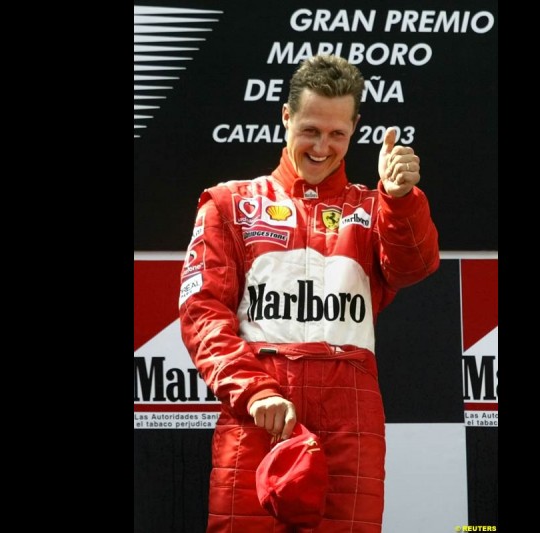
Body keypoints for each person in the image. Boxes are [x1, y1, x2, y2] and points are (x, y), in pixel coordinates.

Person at [178, 54, 440, 533]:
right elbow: (202, 314)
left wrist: (401, 200)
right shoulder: (229, 203)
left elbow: (413, 266)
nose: (322, 147)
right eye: (311, 130)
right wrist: (253, 390)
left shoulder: (374, 206)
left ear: (355, 128)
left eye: (337, 134)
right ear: (286, 116)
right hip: (261, 409)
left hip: (351, 413)